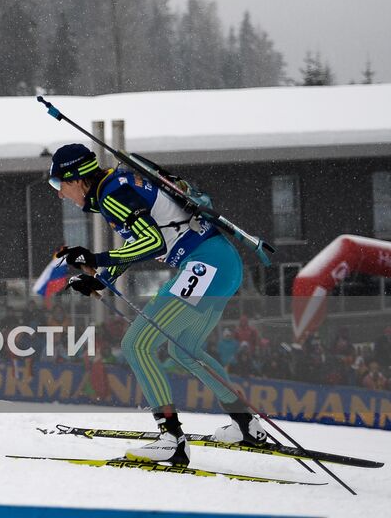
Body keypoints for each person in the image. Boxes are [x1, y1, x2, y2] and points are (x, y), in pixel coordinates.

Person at [48, 142, 262, 464]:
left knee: (136, 344)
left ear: (77, 179)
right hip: (223, 264)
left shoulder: (111, 194)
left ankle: (171, 438)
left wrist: (95, 257)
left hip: (204, 266)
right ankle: (246, 424)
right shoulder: (115, 186)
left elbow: (153, 242)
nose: (60, 194)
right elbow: (138, 243)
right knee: (183, 349)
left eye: (58, 185)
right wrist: (100, 277)